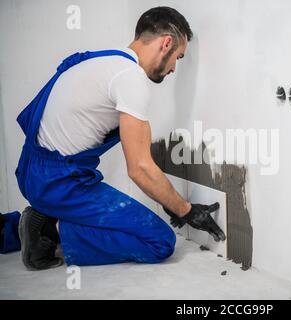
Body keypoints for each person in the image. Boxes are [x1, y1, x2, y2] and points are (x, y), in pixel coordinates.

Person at [12, 6, 225, 270]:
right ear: (166, 43)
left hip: (30, 171)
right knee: (160, 241)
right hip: (59, 184)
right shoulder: (130, 78)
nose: (173, 69)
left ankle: (13, 227)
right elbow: (140, 169)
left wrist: (174, 205)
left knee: (99, 218)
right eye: (178, 58)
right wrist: (186, 210)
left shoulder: (101, 61)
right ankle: (49, 232)